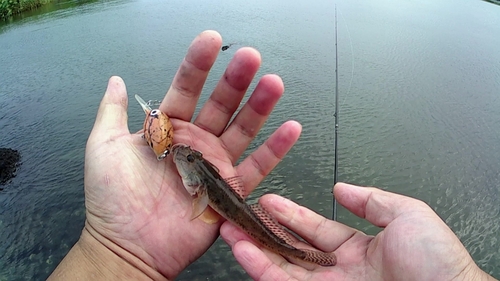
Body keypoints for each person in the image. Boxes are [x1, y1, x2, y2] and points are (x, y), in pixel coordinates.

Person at [48, 30, 496, 281]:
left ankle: (302, 255)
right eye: (185, 155)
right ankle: (303, 255)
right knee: (265, 224)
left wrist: (107, 254)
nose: (181, 155)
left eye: (185, 158)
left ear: (197, 177)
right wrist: (114, 252)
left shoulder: (202, 184)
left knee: (268, 229)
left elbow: (204, 198)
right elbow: (201, 193)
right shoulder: (196, 176)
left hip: (227, 203)